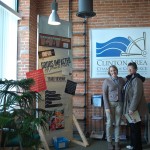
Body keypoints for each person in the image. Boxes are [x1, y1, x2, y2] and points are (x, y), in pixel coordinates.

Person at [123, 62, 148, 150]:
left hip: (134, 109)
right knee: (133, 128)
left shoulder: (137, 80)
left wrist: (132, 108)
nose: (129, 70)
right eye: (128, 68)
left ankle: (137, 147)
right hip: (130, 108)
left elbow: (136, 95)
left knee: (136, 128)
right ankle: (133, 144)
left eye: (131, 68)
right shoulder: (130, 79)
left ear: (135, 69)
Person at [102, 65, 125, 150]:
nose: (113, 72)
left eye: (114, 70)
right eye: (111, 71)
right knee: (109, 123)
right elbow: (104, 94)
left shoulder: (121, 80)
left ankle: (117, 142)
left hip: (120, 104)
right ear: (109, 72)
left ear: (117, 71)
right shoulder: (106, 81)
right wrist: (107, 107)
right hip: (110, 105)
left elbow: (125, 91)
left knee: (118, 123)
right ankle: (109, 142)